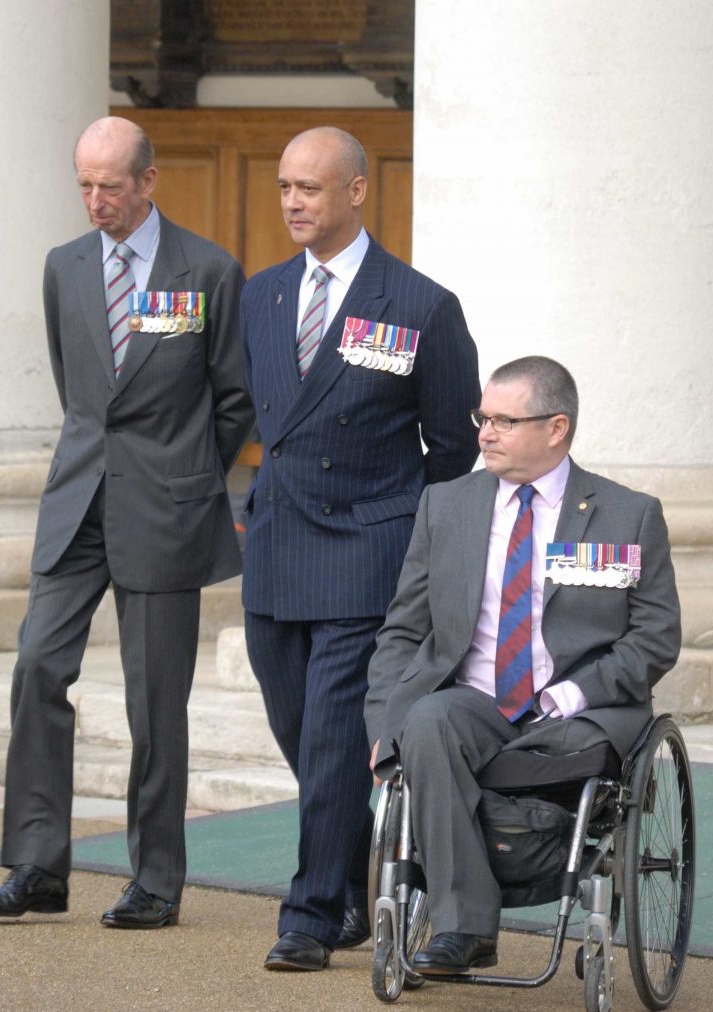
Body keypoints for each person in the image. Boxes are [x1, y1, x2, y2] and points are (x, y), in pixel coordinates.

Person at [0, 117, 253, 928]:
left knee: (155, 703)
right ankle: (35, 865)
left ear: (149, 181)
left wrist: (184, 471)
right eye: (85, 186)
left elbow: (234, 397)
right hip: (77, 504)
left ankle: (155, 880)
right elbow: (78, 389)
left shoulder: (210, 271)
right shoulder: (63, 267)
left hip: (166, 508)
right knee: (35, 668)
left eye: (111, 187)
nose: (96, 202)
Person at [240, 126, 480, 970]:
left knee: (335, 738)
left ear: (356, 192)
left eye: (310, 187)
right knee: (295, 727)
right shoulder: (261, 296)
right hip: (274, 546)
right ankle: (349, 877)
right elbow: (254, 412)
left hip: (362, 551)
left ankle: (309, 914)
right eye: (283, 187)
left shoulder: (419, 306)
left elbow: (453, 446)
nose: (293, 202)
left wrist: (402, 530)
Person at [365, 355, 681, 975]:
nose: (485, 432)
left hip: (577, 714)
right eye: (483, 418)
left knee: (471, 747)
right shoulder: (446, 505)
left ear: (556, 428)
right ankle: (465, 929)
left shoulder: (627, 514)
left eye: (504, 421)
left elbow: (655, 637)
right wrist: (384, 722)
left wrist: (580, 690)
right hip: (474, 703)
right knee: (427, 723)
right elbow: (404, 629)